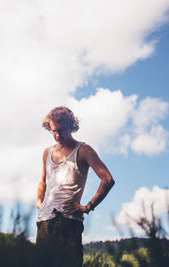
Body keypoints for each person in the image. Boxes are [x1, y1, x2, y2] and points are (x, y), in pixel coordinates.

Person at [36, 106, 115, 267]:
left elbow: (107, 179)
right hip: (44, 221)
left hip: (68, 221)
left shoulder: (84, 150)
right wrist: (40, 204)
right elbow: (43, 181)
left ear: (71, 126)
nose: (57, 135)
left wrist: (87, 207)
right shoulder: (47, 152)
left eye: (62, 130)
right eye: (53, 131)